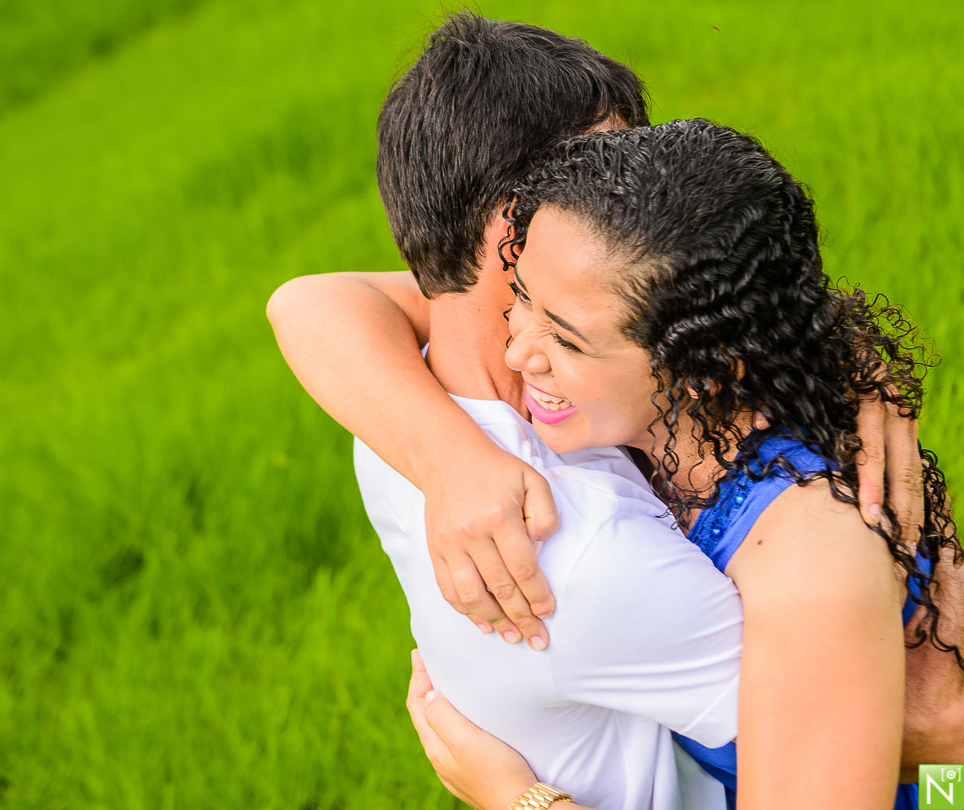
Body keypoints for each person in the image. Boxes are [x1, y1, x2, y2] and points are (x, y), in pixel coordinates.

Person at [267, 11, 962, 807]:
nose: (645, 193)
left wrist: (853, 364)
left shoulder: (410, 401)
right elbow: (903, 717)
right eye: (609, 169)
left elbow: (314, 300)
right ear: (515, 235)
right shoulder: (583, 538)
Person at [405, 119, 964, 809]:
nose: (519, 353)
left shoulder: (809, 552)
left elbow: (945, 774)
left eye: (568, 341)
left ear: (701, 370)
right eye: (520, 298)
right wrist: (446, 452)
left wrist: (521, 800)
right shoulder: (645, 407)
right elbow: (318, 301)